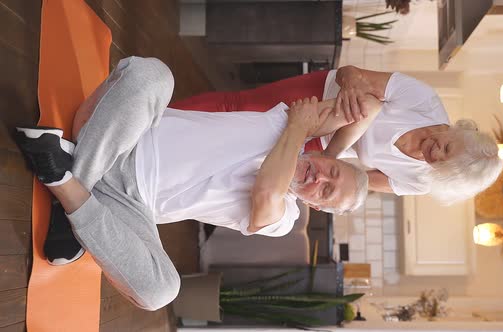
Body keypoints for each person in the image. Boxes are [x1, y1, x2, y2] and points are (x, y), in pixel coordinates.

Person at [15, 57, 368, 311]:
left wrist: (297, 128)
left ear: (317, 207)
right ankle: (71, 197)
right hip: (122, 133)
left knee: (161, 291)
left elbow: (266, 192)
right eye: (331, 171)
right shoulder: (285, 123)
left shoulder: (285, 217)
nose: (319, 178)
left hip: (130, 203)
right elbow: (368, 103)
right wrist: (311, 125)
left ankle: (71, 176)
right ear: (329, 155)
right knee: (150, 74)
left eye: (325, 191)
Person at [170, 66, 503, 204]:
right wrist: (356, 88)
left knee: (236, 142)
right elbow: (350, 74)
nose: (433, 154)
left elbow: (357, 179)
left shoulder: (418, 181)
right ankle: (164, 115)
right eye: (446, 146)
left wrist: (325, 184)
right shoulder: (424, 100)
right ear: (458, 130)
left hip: (324, 146)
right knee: (237, 106)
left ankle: (170, 148)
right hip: (324, 96)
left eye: (440, 164)